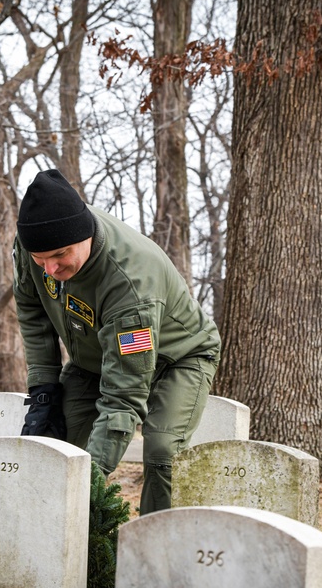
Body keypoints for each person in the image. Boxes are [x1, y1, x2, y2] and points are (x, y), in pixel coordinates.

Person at [12, 168, 221, 514]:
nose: (50, 269)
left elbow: (123, 397)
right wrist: (43, 388)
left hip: (178, 358)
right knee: (55, 444)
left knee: (162, 451)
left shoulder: (130, 282)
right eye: (40, 260)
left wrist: (92, 483)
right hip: (92, 357)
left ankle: (155, 546)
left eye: (60, 255)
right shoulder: (32, 243)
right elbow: (32, 311)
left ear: (84, 237)